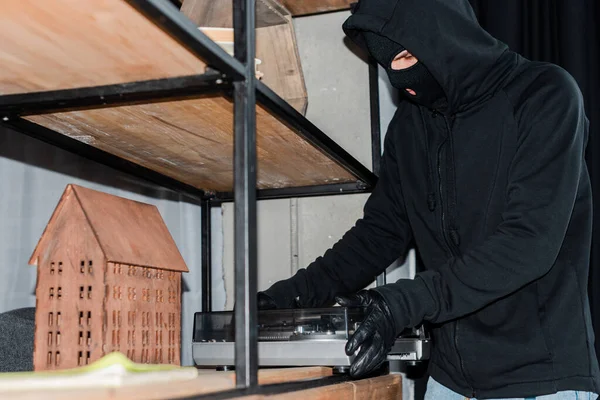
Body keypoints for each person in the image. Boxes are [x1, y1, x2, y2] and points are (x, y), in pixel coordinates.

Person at [258, 0, 600, 398]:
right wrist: (282, 300)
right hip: (448, 382)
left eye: (406, 55)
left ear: (448, 33)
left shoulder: (544, 95)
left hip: (540, 380)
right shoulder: (410, 124)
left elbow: (528, 244)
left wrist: (400, 303)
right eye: (389, 66)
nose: (402, 79)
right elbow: (380, 234)